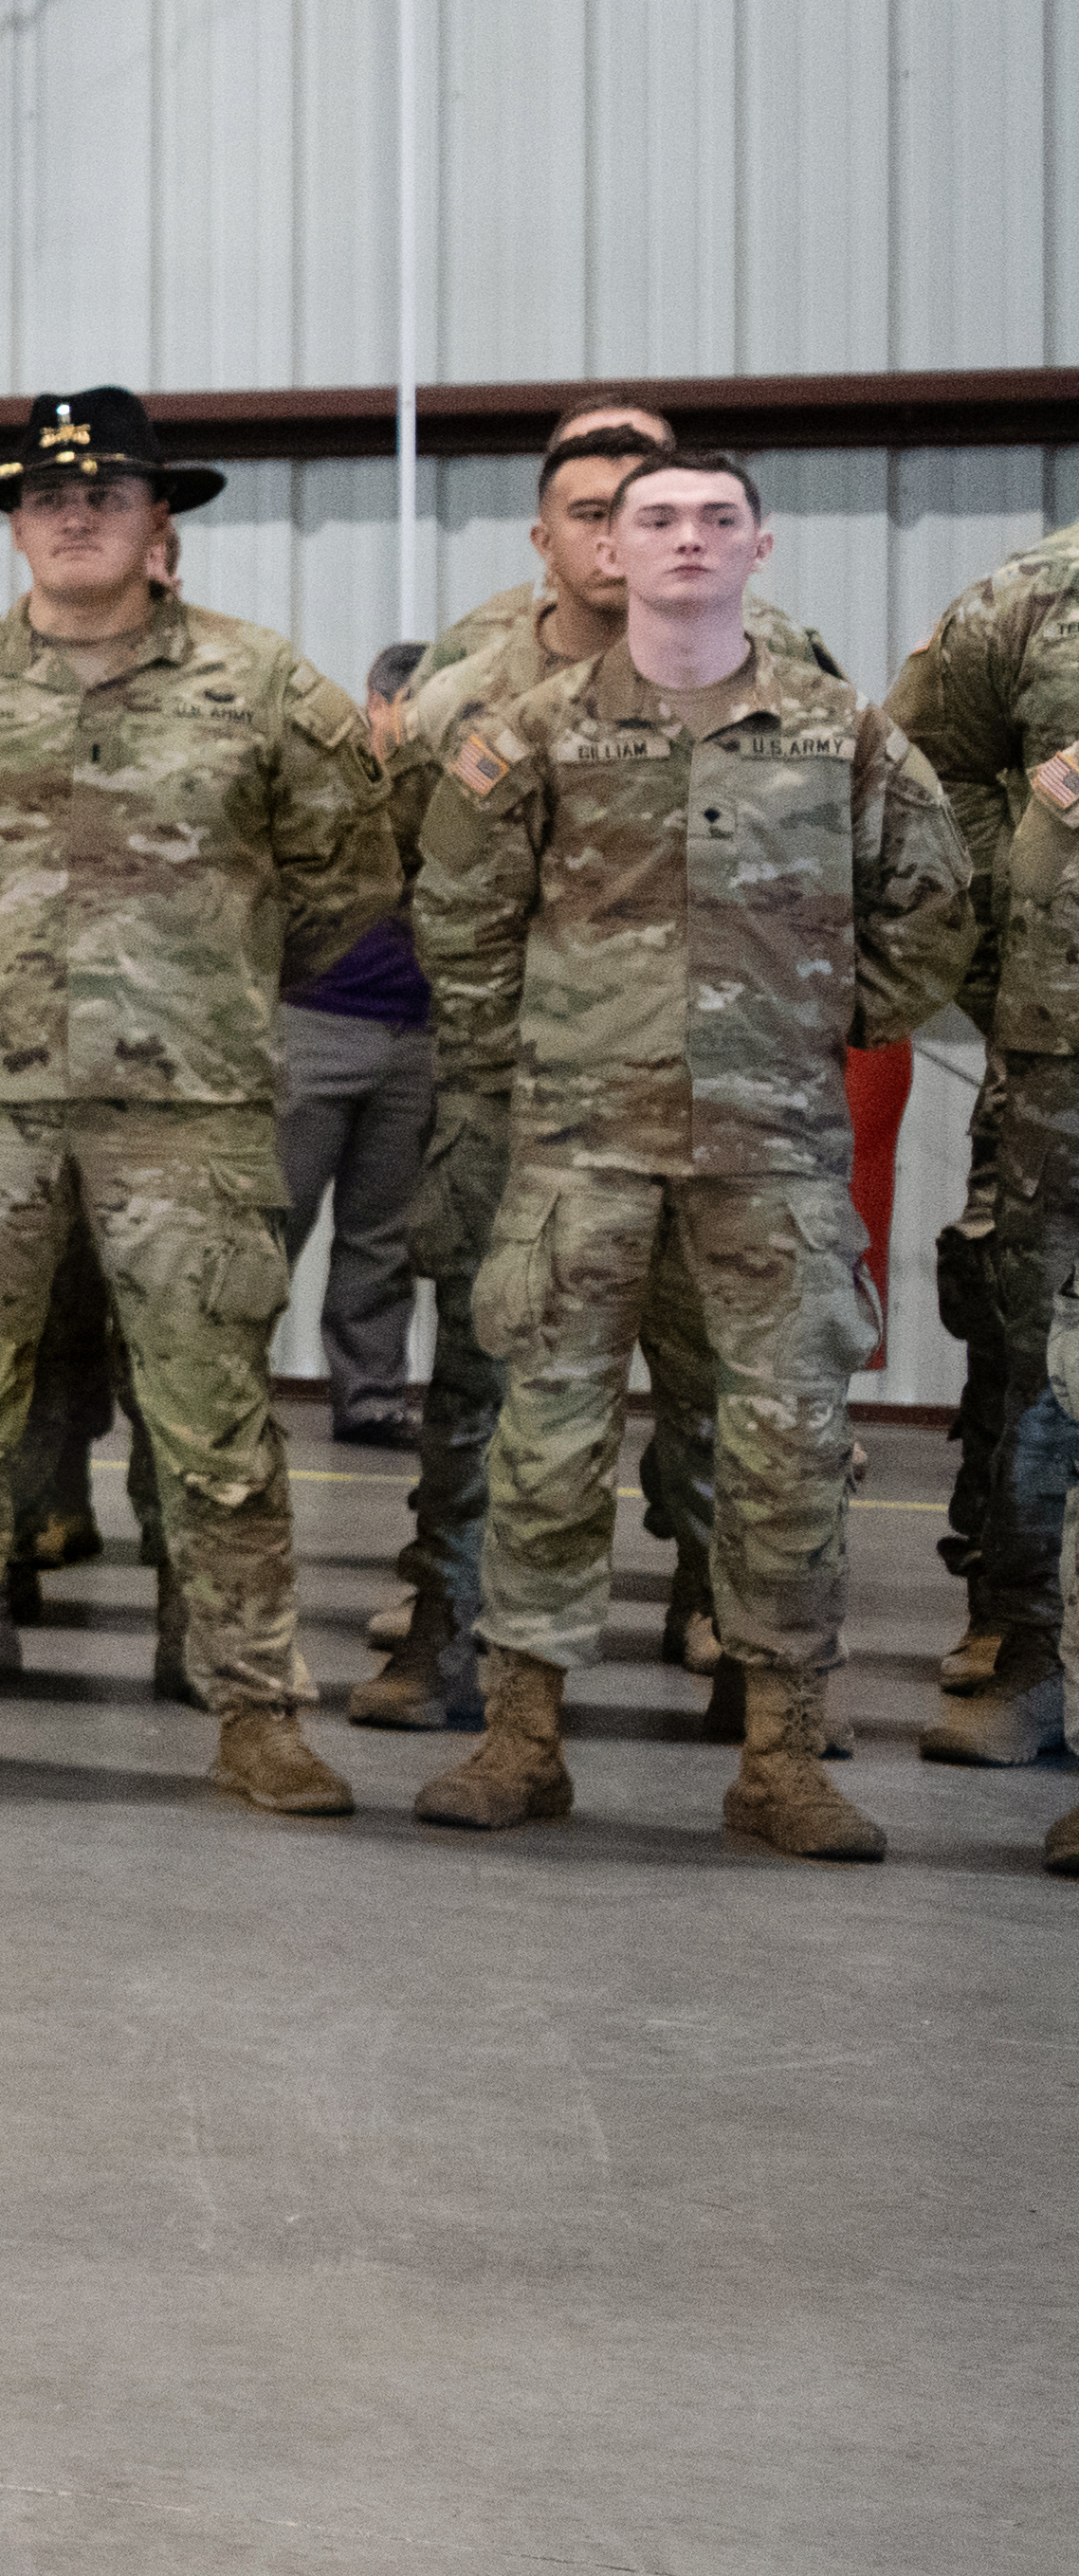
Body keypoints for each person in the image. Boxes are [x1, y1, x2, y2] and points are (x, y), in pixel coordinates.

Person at [0, 395, 388, 1811]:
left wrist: (208, 984)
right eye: (49, 496)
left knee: (216, 1420)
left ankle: (256, 1710)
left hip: (185, 1114)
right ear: (14, 524)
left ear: (157, 523)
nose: (75, 515)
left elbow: (349, 878)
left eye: (107, 494)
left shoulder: (263, 688)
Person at [411, 451, 970, 1853]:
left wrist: (818, 1027)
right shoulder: (530, 732)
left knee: (788, 1449)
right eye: (652, 518)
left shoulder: (841, 733)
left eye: (717, 520)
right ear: (605, 547)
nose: (683, 541)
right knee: (543, 1441)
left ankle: (783, 1752)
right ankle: (521, 1736)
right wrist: (535, 1063)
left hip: (772, 1155)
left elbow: (930, 905)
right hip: (578, 1154)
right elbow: (459, 918)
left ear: (760, 550)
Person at [885, 521, 1078, 1787]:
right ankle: (1017, 1640)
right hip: (1055, 1051)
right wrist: (1012, 926)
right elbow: (923, 771)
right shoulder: (1033, 597)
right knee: (1022, 1338)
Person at [268, 643, 447, 1455]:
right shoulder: (326, 786)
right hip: (312, 1025)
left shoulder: (450, 793)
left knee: (384, 1236)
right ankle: (221, 1395)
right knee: (272, 1221)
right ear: (377, 707)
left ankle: (371, 1398)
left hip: (417, 1036)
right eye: (408, 707)